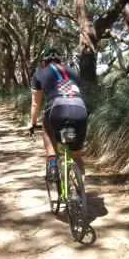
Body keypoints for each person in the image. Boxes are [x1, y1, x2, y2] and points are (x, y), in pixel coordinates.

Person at [29, 47, 88, 182]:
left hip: (57, 109)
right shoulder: (72, 72)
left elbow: (35, 104)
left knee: (46, 126)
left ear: (44, 62)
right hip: (80, 110)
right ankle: (80, 191)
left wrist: (32, 124)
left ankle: (53, 163)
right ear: (60, 61)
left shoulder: (40, 73)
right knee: (76, 155)